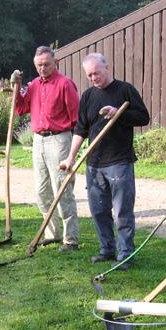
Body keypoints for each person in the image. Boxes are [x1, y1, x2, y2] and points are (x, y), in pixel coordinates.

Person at [59, 53, 149, 270]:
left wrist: (118, 113)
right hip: (94, 163)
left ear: (107, 68)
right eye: (89, 75)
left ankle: (126, 254)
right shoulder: (89, 96)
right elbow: (81, 128)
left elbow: (143, 117)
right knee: (99, 211)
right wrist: (70, 157)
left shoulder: (125, 90)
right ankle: (107, 249)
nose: (93, 78)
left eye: (96, 73)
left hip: (119, 162)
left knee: (122, 212)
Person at [11, 46, 80, 252]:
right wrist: (17, 86)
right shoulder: (33, 85)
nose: (43, 68)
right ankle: (52, 234)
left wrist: (75, 145)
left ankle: (71, 239)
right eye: (39, 65)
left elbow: (76, 117)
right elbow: (21, 109)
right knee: (42, 191)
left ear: (55, 63)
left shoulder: (65, 84)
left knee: (63, 189)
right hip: (38, 140)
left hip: (60, 140)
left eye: (46, 64)